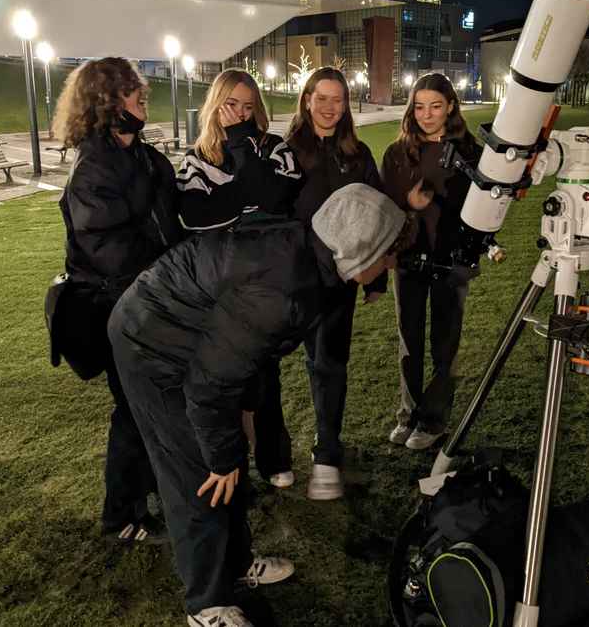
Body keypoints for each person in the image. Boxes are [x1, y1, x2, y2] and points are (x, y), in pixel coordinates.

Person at [107, 183, 406, 627]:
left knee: (224, 468)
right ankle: (206, 605)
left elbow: (247, 355)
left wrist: (242, 416)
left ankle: (236, 564)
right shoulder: (286, 289)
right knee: (199, 476)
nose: (391, 263)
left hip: (192, 342)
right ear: (359, 251)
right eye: (387, 253)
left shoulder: (310, 258)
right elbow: (209, 387)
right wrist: (223, 456)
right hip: (151, 344)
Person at [51, 57, 181, 541]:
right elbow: (113, 251)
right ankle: (121, 516)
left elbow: (173, 215)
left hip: (146, 303)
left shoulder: (141, 156)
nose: (142, 98)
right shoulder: (93, 169)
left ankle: (149, 498)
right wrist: (171, 270)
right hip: (113, 310)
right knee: (132, 410)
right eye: (132, 91)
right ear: (107, 102)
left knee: (150, 407)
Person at [176, 68, 302, 488]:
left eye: (249, 106)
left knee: (265, 373)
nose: (241, 113)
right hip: (218, 284)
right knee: (225, 377)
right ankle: (231, 461)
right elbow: (196, 217)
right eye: (232, 104)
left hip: (267, 278)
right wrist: (245, 195)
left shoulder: (273, 147)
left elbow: (277, 199)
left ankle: (272, 456)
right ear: (216, 104)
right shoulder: (197, 157)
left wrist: (243, 152)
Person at [286, 66, 387, 500]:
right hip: (294, 279)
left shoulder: (358, 153)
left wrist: (374, 277)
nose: (329, 107)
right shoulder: (286, 152)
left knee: (330, 364)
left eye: (338, 99)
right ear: (307, 99)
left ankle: (326, 454)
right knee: (264, 364)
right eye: (321, 98)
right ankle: (271, 458)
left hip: (340, 284)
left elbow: (377, 214)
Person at [381, 73, 481, 450]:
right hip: (408, 260)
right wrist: (408, 205)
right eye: (419, 106)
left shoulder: (469, 151)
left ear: (451, 107)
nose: (426, 115)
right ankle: (408, 416)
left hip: (450, 260)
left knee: (445, 344)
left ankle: (433, 421)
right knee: (409, 342)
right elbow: (385, 207)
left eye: (435, 106)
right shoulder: (396, 153)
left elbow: (483, 206)